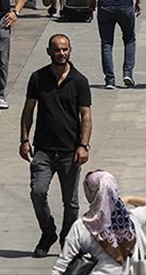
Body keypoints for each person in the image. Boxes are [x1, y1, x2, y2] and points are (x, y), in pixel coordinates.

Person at [20, 34, 93, 257]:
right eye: (57, 50)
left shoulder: (79, 81)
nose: (61, 53)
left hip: (70, 152)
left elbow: (86, 115)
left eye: (64, 49)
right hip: (43, 150)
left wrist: (83, 145)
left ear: (70, 50)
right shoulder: (38, 78)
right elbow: (28, 111)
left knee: (70, 203)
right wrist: (24, 139)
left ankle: (67, 240)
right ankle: (48, 232)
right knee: (38, 192)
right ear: (49, 52)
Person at [53, 170, 146, 275]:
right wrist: (129, 199)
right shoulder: (132, 219)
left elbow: (62, 265)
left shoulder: (81, 226)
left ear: (91, 193)